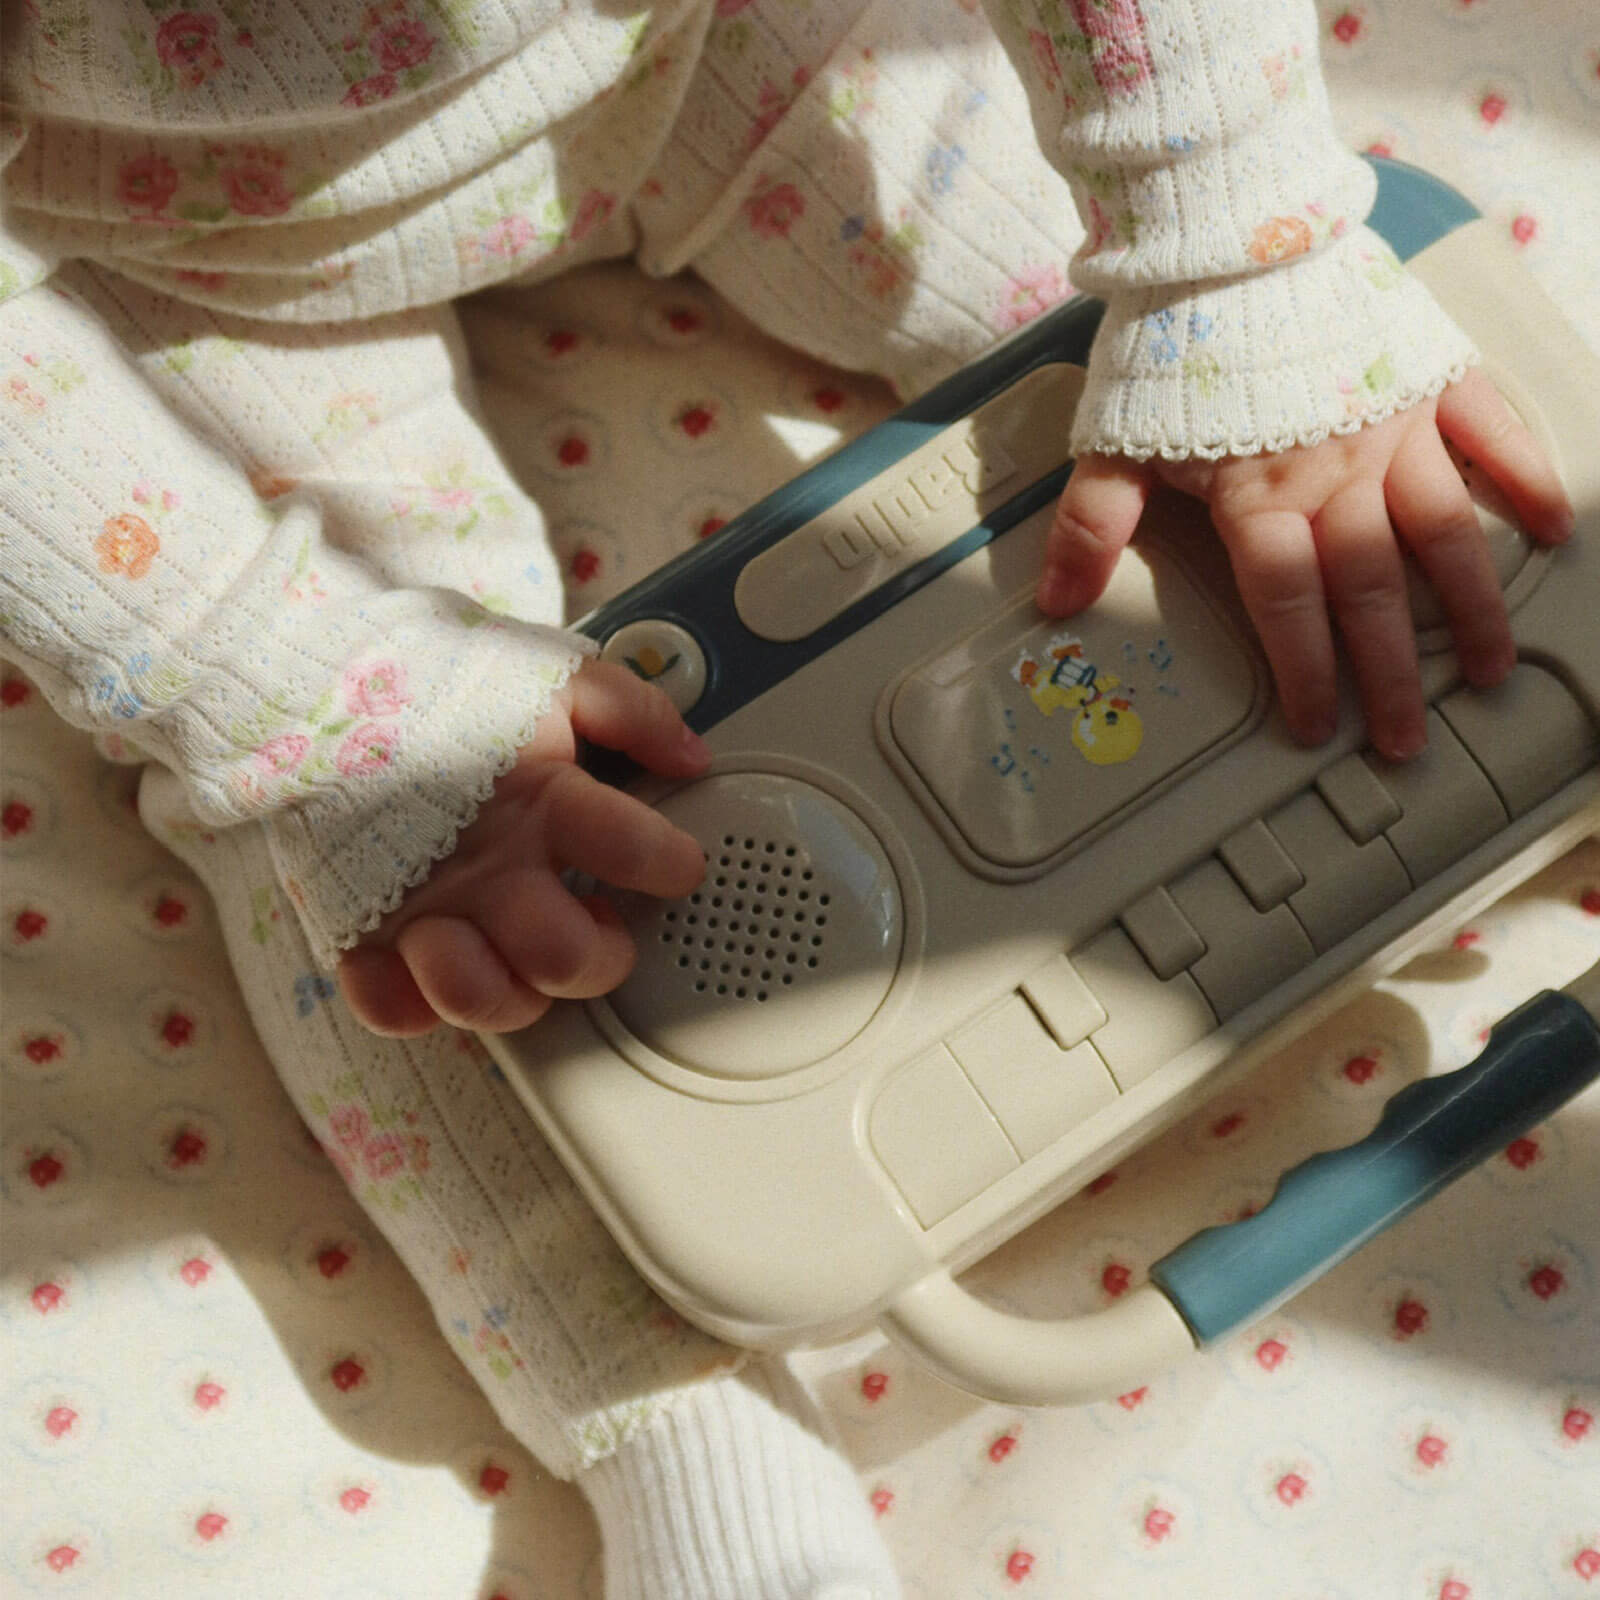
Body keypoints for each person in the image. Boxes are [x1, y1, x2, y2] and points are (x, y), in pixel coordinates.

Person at [0, 0, 1574, 1595]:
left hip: (713, 52)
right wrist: (281, 681)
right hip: (204, 250)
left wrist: (1233, 243)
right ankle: (697, 1442)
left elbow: (1226, 260)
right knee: (388, 863)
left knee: (1260, 383)